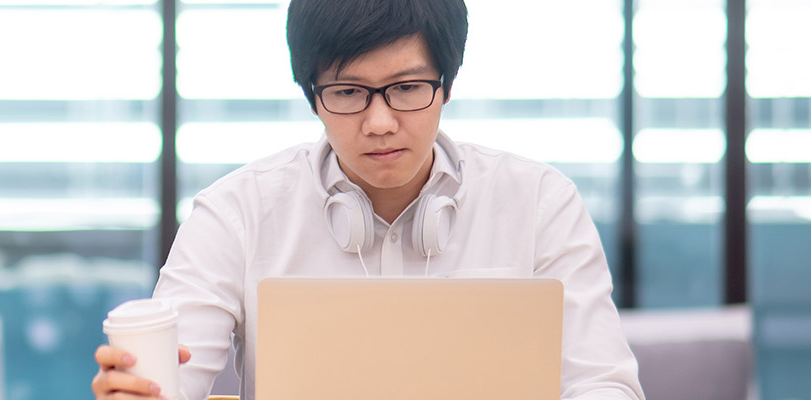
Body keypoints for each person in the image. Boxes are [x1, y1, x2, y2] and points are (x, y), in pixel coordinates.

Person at [89, 0, 646, 399]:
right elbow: (170, 381)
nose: (380, 123)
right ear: (312, 97)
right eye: (349, 92)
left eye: (406, 88)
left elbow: (603, 383)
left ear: (447, 85)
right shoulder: (236, 212)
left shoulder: (539, 202)